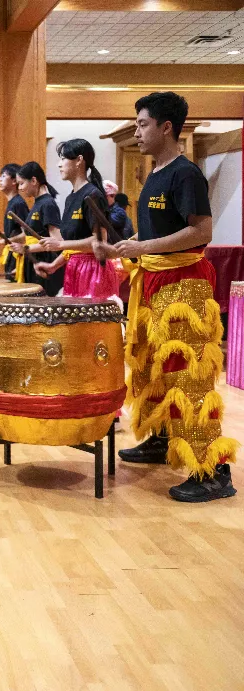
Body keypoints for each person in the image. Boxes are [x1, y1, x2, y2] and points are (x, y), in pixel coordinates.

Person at [110, 91, 237, 502]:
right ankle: (163, 438)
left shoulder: (186, 174)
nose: (137, 131)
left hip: (183, 286)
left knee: (188, 376)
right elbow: (154, 234)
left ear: (167, 127)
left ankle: (213, 472)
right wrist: (131, 244)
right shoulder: (155, 173)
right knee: (153, 369)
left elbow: (201, 232)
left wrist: (143, 249)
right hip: (153, 284)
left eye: (143, 124)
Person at [33, 139, 122, 301]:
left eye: (63, 159)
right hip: (74, 268)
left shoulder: (93, 195)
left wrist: (60, 244)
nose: (59, 164)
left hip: (93, 270)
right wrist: (54, 266)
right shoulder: (70, 198)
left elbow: (99, 241)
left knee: (91, 325)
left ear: (79, 160)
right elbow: (73, 246)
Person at [12, 161, 63, 294]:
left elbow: (57, 240)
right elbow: (29, 236)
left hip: (45, 262)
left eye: (22, 183)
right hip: (34, 260)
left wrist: (26, 248)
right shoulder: (37, 203)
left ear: (34, 180)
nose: (20, 188)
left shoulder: (48, 204)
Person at [0, 164, 32, 280]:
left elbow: (26, 235)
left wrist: (0, 242)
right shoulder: (12, 203)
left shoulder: (18, 204)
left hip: (18, 255)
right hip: (12, 254)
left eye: (3, 176)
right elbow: (14, 233)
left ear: (14, 181)